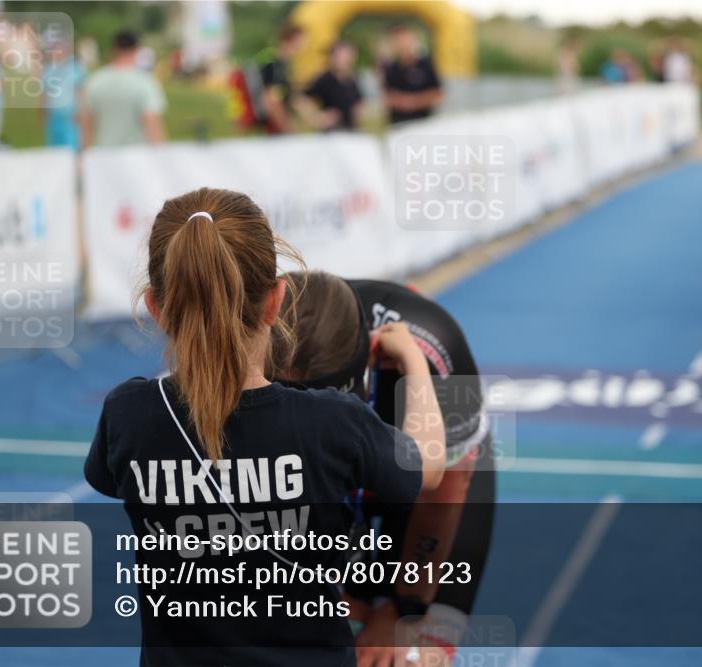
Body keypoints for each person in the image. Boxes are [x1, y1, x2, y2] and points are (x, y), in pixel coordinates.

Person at [84, 188, 446, 666]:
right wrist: (413, 364)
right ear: (276, 300)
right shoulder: (331, 422)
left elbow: (111, 479)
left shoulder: (129, 413)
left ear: (156, 308)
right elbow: (431, 467)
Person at [274, 273, 496, 667]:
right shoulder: (243, 344)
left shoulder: (436, 354)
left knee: (415, 657)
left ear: (371, 356)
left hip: (430, 482)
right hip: (334, 492)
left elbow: (440, 501)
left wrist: (404, 609)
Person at [81, 29, 166, 148]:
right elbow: (151, 122)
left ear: (114, 48)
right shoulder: (146, 83)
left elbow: (86, 125)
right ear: (137, 49)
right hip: (136, 158)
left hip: (104, 157)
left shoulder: (95, 81)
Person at [381, 24, 443, 125]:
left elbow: (438, 94)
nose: (403, 44)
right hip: (398, 124)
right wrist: (405, 102)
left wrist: (414, 102)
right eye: (399, 41)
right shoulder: (390, 68)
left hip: (424, 122)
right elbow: (386, 97)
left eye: (406, 39)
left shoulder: (426, 64)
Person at [297, 40, 363, 132]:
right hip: (332, 135)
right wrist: (317, 118)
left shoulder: (352, 79)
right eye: (341, 56)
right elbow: (300, 99)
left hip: (351, 131)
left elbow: (358, 104)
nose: (345, 59)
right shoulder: (325, 79)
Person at [253, 23, 306, 134]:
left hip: (274, 124)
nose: (304, 45)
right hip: (269, 126)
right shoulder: (274, 63)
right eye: (301, 40)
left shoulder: (284, 64)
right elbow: (271, 98)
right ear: (291, 40)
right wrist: (286, 127)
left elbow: (291, 97)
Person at [41, 35, 84, 150]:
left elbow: (80, 91)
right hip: (54, 114)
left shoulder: (75, 67)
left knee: (71, 145)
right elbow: (45, 93)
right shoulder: (49, 69)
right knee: (54, 146)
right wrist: (43, 111)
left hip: (70, 114)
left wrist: (80, 110)